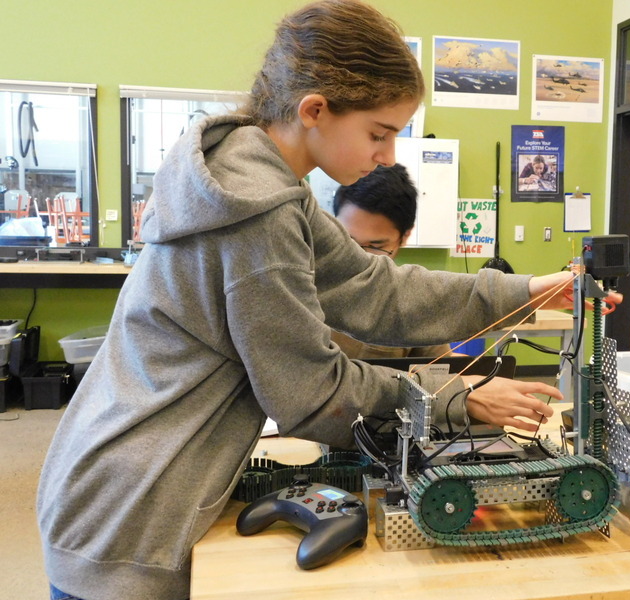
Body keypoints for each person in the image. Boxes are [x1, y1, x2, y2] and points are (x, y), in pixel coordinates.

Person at [37, 2, 597, 599]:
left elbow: (374, 289)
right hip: (134, 509)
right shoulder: (259, 217)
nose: (387, 156)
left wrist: (526, 289)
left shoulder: (265, 184)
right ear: (314, 111)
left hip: (122, 481)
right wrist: (460, 398)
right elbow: (312, 394)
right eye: (379, 134)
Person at [330, 163, 453, 359]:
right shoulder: (303, 284)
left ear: (404, 237)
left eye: (376, 246)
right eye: (348, 240)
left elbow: (441, 368)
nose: (359, 256)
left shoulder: (412, 301)